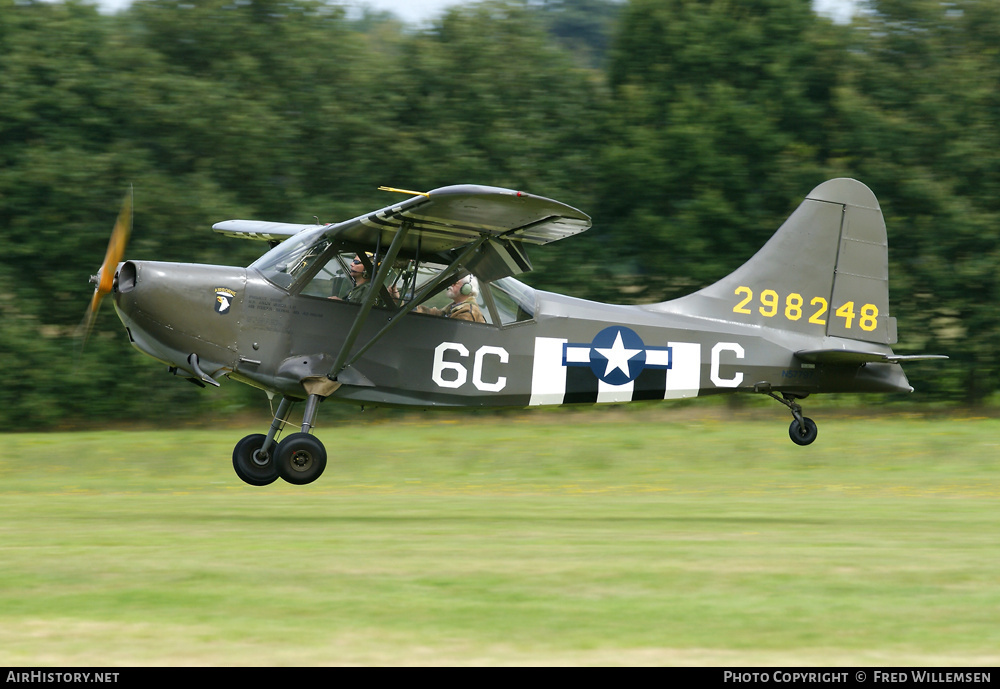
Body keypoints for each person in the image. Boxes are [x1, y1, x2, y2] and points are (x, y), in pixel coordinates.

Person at [415, 274, 486, 323]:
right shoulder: (453, 307)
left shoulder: (468, 311)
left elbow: (453, 334)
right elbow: (435, 314)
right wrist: (414, 309)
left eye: (455, 283)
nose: (451, 285)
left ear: (466, 288)